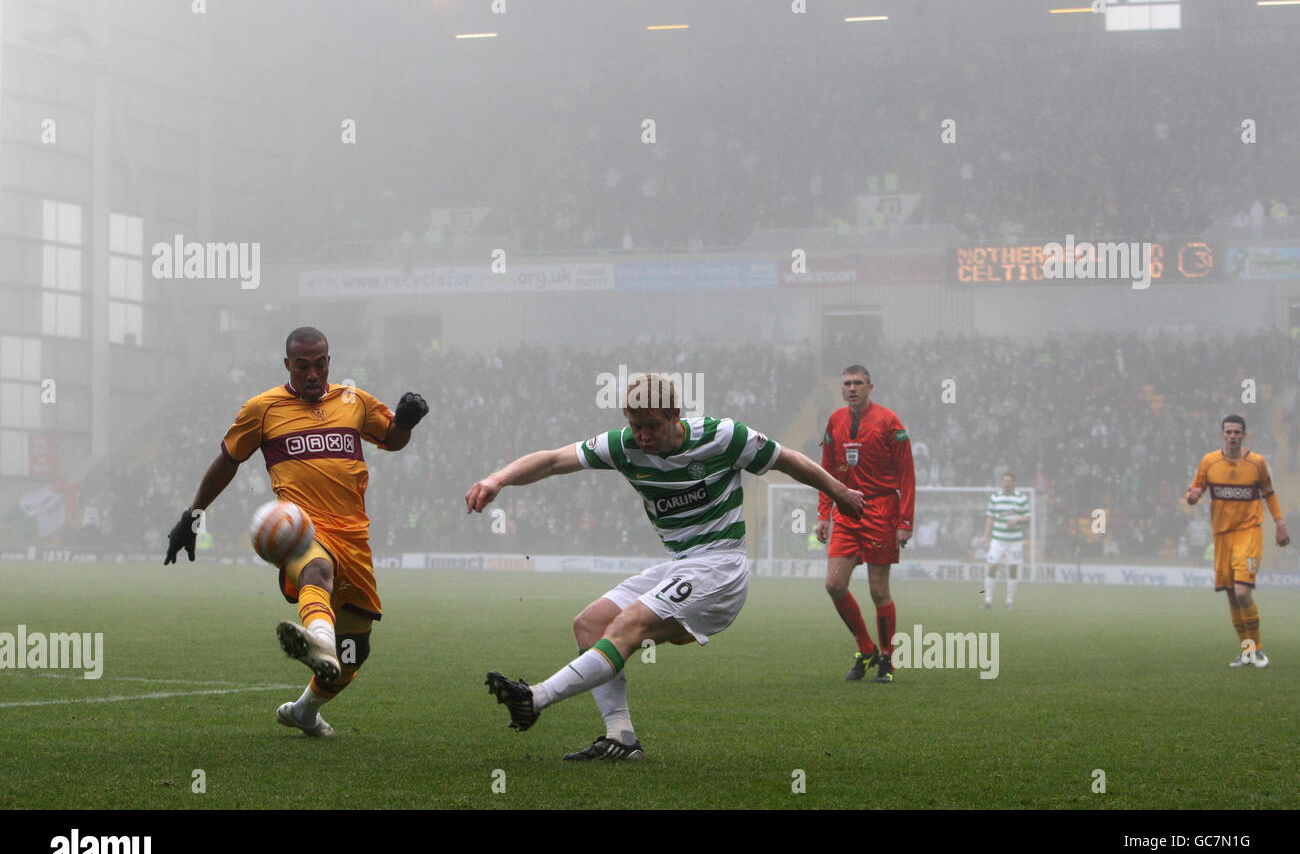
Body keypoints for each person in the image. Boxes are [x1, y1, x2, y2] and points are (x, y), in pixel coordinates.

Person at [467, 372, 865, 760]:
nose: (642, 436)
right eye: (634, 425)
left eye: (651, 426)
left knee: (627, 626)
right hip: (681, 565)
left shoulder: (722, 436)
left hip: (720, 568)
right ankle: (620, 737)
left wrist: (841, 491)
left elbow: (788, 460)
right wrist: (497, 480)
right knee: (589, 624)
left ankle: (535, 698)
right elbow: (553, 461)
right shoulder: (624, 446)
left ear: (675, 414)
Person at [163, 327, 428, 734]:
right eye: (302, 365)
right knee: (316, 571)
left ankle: (305, 711)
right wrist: (192, 514)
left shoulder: (353, 401)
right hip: (301, 528)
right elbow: (228, 461)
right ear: (287, 364)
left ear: (329, 362)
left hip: (354, 538)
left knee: (355, 652)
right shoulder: (262, 409)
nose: (312, 373)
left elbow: (391, 439)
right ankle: (317, 637)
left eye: (320, 364)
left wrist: (406, 422)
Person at [816, 365, 915, 682]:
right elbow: (826, 469)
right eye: (847, 383)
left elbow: (907, 474)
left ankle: (887, 659)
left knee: (878, 590)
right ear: (842, 388)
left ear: (871, 387)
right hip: (846, 511)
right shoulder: (835, 420)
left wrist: (905, 520)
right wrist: (823, 513)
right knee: (834, 584)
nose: (852, 388)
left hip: (881, 510)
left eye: (858, 383)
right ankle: (866, 647)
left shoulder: (889, 421)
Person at [1186, 415, 1289, 668]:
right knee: (1232, 596)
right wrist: (1193, 496)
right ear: (1222, 434)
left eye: (1237, 432)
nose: (1232, 435)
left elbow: (1269, 494)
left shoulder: (1257, 463)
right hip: (1222, 535)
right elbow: (1192, 494)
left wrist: (1280, 523)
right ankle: (1247, 651)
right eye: (1228, 431)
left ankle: (1259, 650)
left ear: (1244, 435)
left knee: (1243, 592)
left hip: (1248, 532)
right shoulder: (1209, 462)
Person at [981, 472, 1030, 610]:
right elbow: (990, 517)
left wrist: (1018, 519)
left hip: (1015, 541)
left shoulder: (1021, 498)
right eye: (1004, 481)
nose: (1006, 483)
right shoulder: (995, 498)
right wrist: (985, 535)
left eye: (1008, 481)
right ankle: (988, 600)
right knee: (991, 566)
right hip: (998, 539)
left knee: (1013, 569)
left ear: (1013, 482)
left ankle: (1009, 601)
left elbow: (1028, 517)